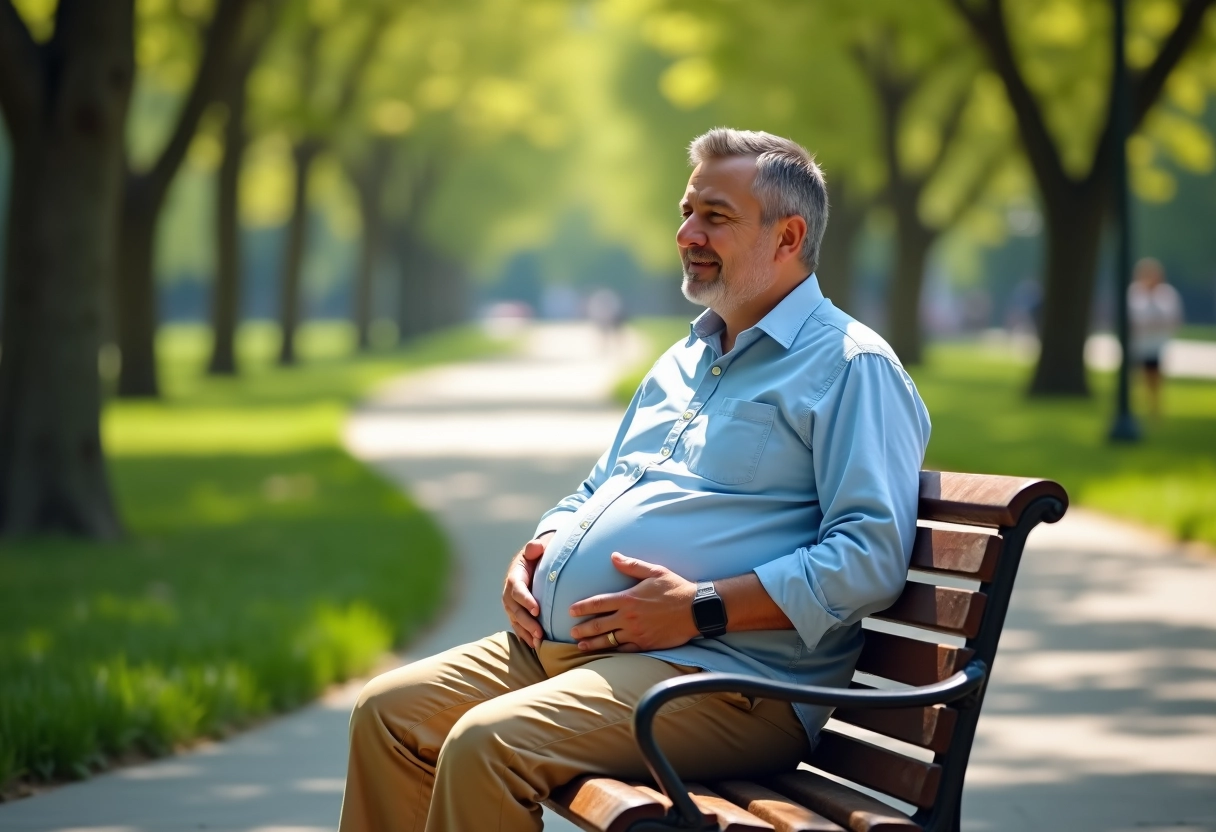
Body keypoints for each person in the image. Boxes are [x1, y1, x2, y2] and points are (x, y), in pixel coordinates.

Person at [337, 128, 931, 832]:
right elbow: (597, 489)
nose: (687, 233)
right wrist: (539, 553)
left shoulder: (849, 366)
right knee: (387, 712)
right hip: (584, 654)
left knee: (486, 745)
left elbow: (869, 556)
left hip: (722, 680)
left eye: (715, 216)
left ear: (788, 236)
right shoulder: (684, 358)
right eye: (686, 212)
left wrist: (701, 607)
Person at [1128, 257, 1183, 419]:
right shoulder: (1134, 293)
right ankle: (1137, 408)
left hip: (1156, 344)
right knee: (1137, 378)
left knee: (1155, 377)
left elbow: (1174, 318)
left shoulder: (1167, 294)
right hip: (1137, 344)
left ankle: (1154, 409)